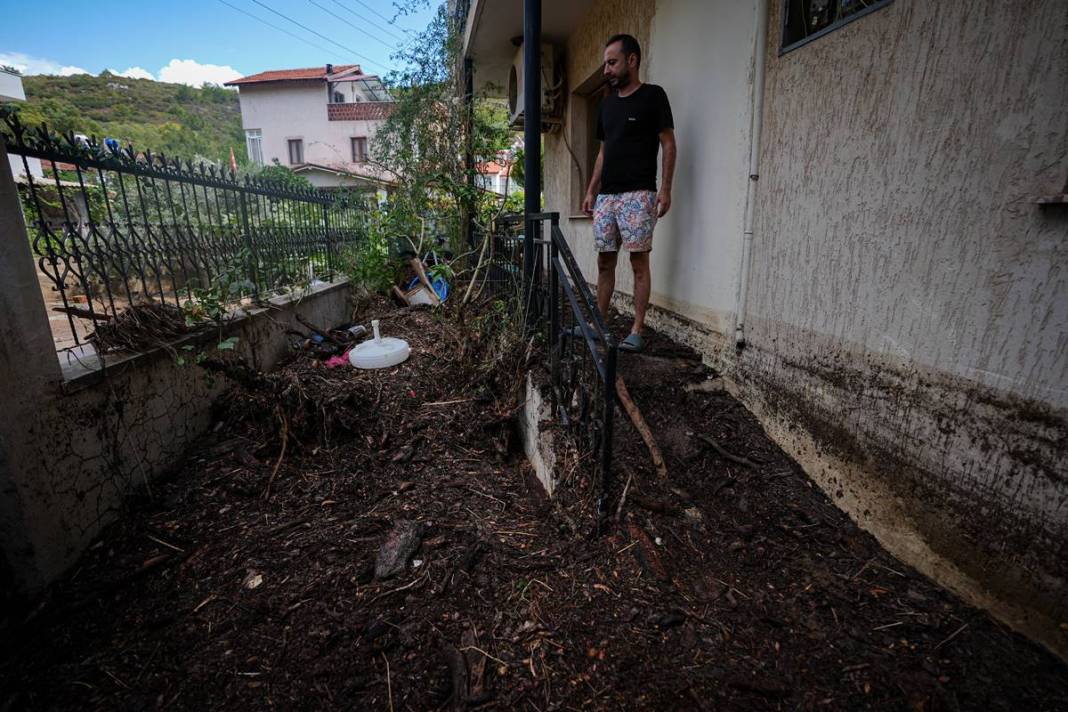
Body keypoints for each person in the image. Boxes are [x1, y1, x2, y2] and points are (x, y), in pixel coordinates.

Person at [582, 33, 676, 354]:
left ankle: (636, 329)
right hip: (607, 197)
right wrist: (592, 190)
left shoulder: (653, 97)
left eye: (612, 62)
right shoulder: (606, 105)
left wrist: (665, 188)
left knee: (638, 261)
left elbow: (668, 143)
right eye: (605, 63)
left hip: (639, 194)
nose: (606, 69)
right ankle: (599, 324)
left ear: (631, 61)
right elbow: (603, 152)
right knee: (605, 261)